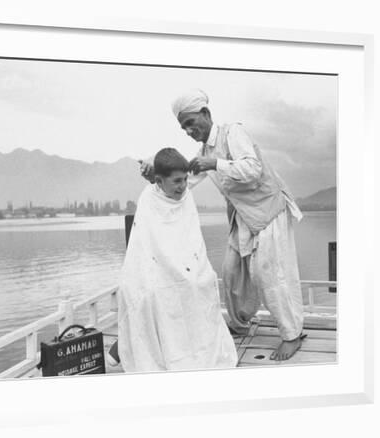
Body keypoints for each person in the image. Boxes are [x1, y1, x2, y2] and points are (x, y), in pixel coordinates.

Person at [140, 89, 305, 361]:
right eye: (184, 127)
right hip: (243, 217)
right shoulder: (203, 152)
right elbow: (182, 184)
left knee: (271, 275)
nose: (189, 130)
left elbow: (252, 169)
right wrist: (154, 176)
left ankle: (292, 335)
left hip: (269, 211)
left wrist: (216, 163)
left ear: (206, 114)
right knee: (231, 272)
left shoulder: (233, 133)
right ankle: (240, 324)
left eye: (192, 122)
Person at [115, 147, 237, 372]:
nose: (183, 186)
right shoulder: (149, 199)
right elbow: (146, 247)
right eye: (177, 181)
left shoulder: (186, 196)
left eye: (185, 179)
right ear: (159, 181)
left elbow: (191, 241)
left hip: (187, 266)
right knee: (153, 294)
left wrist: (188, 270)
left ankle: (196, 349)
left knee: (202, 283)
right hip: (156, 270)